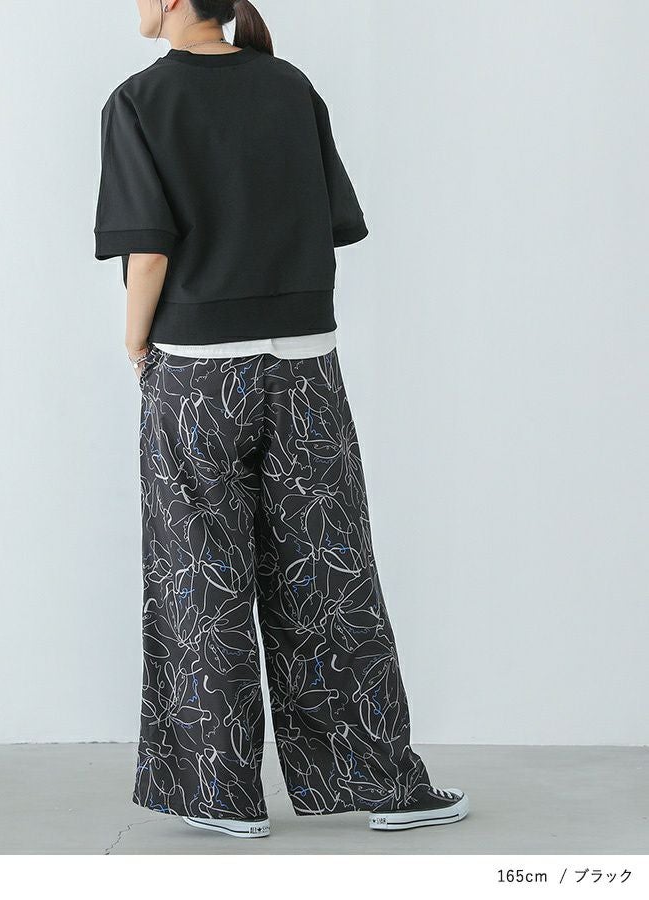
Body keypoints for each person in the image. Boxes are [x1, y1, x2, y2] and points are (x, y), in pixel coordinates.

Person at [93, 0, 469, 840]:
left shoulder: (139, 101)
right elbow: (325, 228)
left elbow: (148, 253)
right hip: (305, 366)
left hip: (195, 373)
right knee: (331, 577)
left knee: (200, 578)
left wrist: (134, 340)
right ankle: (383, 785)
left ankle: (220, 796)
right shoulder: (291, 86)